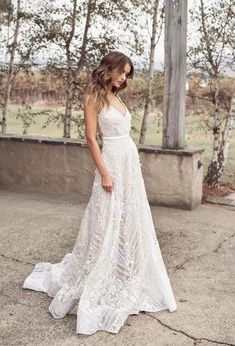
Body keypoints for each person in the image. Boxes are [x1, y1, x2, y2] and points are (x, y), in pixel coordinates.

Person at [23, 51, 177, 335]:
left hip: (128, 162)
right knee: (106, 217)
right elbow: (92, 139)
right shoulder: (93, 97)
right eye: (121, 72)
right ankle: (100, 273)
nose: (123, 78)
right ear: (108, 68)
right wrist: (105, 172)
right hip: (112, 163)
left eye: (127, 74)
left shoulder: (116, 96)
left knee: (130, 217)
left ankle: (126, 270)